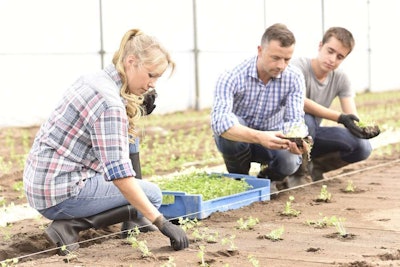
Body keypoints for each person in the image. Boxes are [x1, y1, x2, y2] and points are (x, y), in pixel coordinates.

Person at [23, 28, 189, 255]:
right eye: (151, 75)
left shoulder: (95, 79)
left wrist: (133, 109)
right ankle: (70, 226)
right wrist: (161, 222)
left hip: (41, 183)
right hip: (60, 193)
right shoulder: (110, 105)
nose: (153, 84)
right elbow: (120, 176)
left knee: (130, 159)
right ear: (131, 62)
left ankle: (134, 220)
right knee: (152, 195)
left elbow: (120, 147)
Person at [210, 23, 310, 189]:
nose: (281, 65)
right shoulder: (232, 76)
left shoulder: (294, 77)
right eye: (275, 58)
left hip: (273, 141)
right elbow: (220, 123)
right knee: (231, 127)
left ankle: (266, 180)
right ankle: (240, 181)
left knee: (290, 161)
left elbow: (294, 120)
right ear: (260, 50)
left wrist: (296, 140)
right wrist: (260, 136)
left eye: (287, 59)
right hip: (240, 141)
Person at [289, 27, 379, 184]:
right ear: (320, 46)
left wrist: (362, 128)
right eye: (330, 51)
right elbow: (299, 102)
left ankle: (315, 168)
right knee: (306, 119)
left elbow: (351, 114)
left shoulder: (341, 78)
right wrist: (340, 118)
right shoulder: (299, 67)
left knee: (363, 146)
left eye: (339, 57)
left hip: (313, 136)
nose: (332, 59)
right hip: (287, 135)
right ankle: (296, 174)